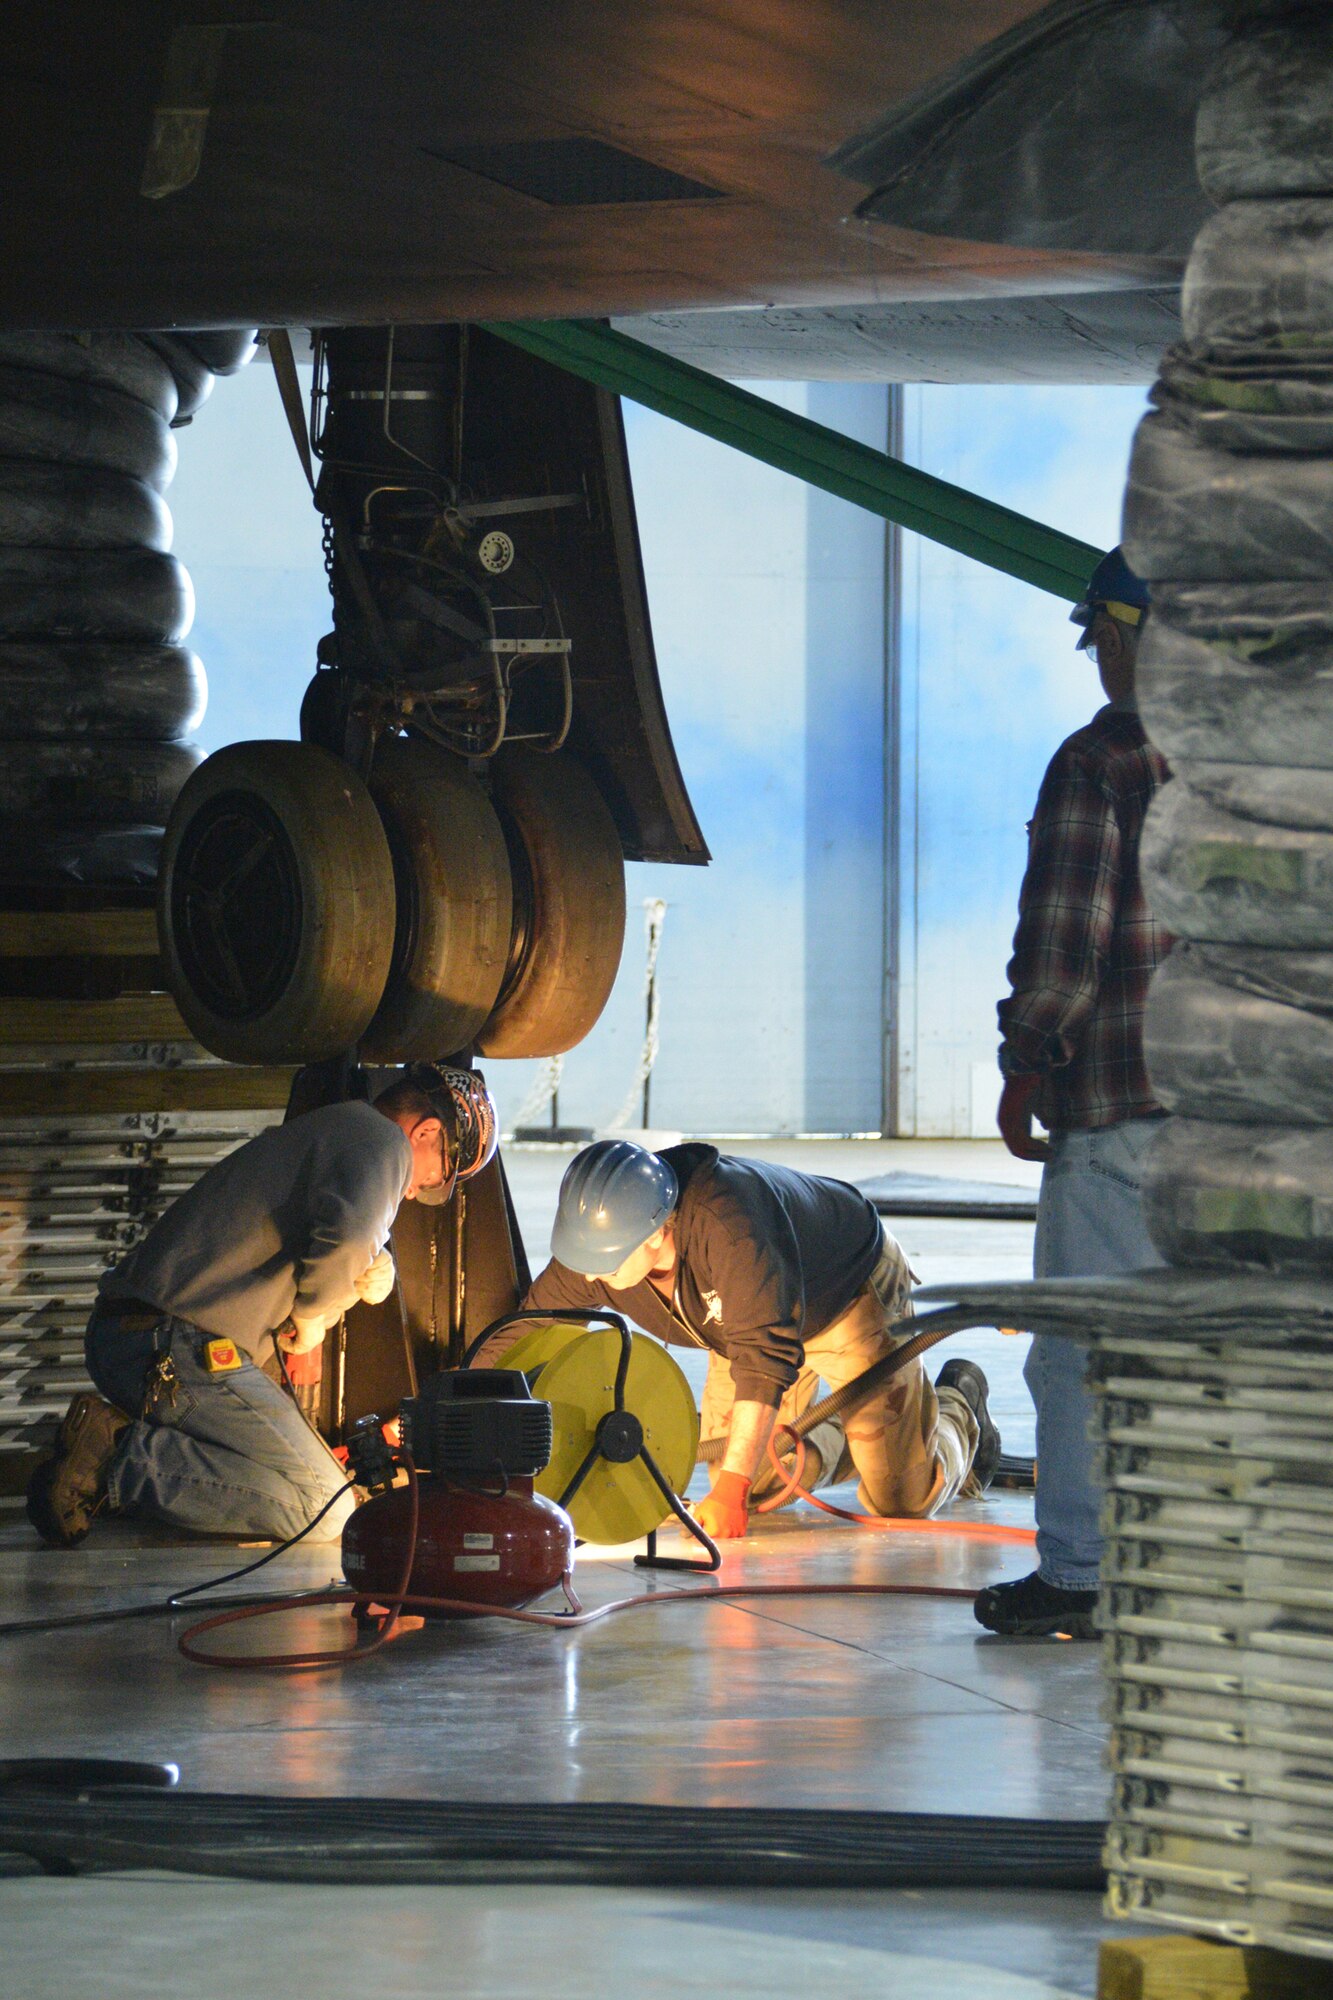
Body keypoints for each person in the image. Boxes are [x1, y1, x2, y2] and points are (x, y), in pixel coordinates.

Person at [26, 1063, 498, 1549]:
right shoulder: (383, 1142)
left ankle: (123, 1456)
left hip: (137, 1336)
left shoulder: (337, 1131)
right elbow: (349, 1238)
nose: (414, 1190)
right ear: (426, 1131)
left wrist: (352, 1281)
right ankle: (115, 1460)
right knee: (324, 1507)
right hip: (172, 1342)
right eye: (433, 1176)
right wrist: (317, 1314)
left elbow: (332, 1238)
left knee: (284, 1481)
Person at [976, 546, 1170, 1641]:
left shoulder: (1102, 761)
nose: (1095, 653)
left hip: (1127, 1116)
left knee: (1083, 1351)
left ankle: (1085, 1573)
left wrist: (1024, 1061)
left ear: (1133, 630)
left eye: (1097, 632)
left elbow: (1064, 948)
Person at [510, 1138, 1000, 1540]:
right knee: (760, 1487)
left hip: (845, 1296)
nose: (593, 1274)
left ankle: (957, 1406)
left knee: (901, 1500)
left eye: (609, 1260)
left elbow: (764, 1360)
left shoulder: (730, 1227)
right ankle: (868, 1434)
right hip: (745, 1329)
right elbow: (528, 1331)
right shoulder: (601, 1245)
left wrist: (730, 1489)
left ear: (657, 1233)